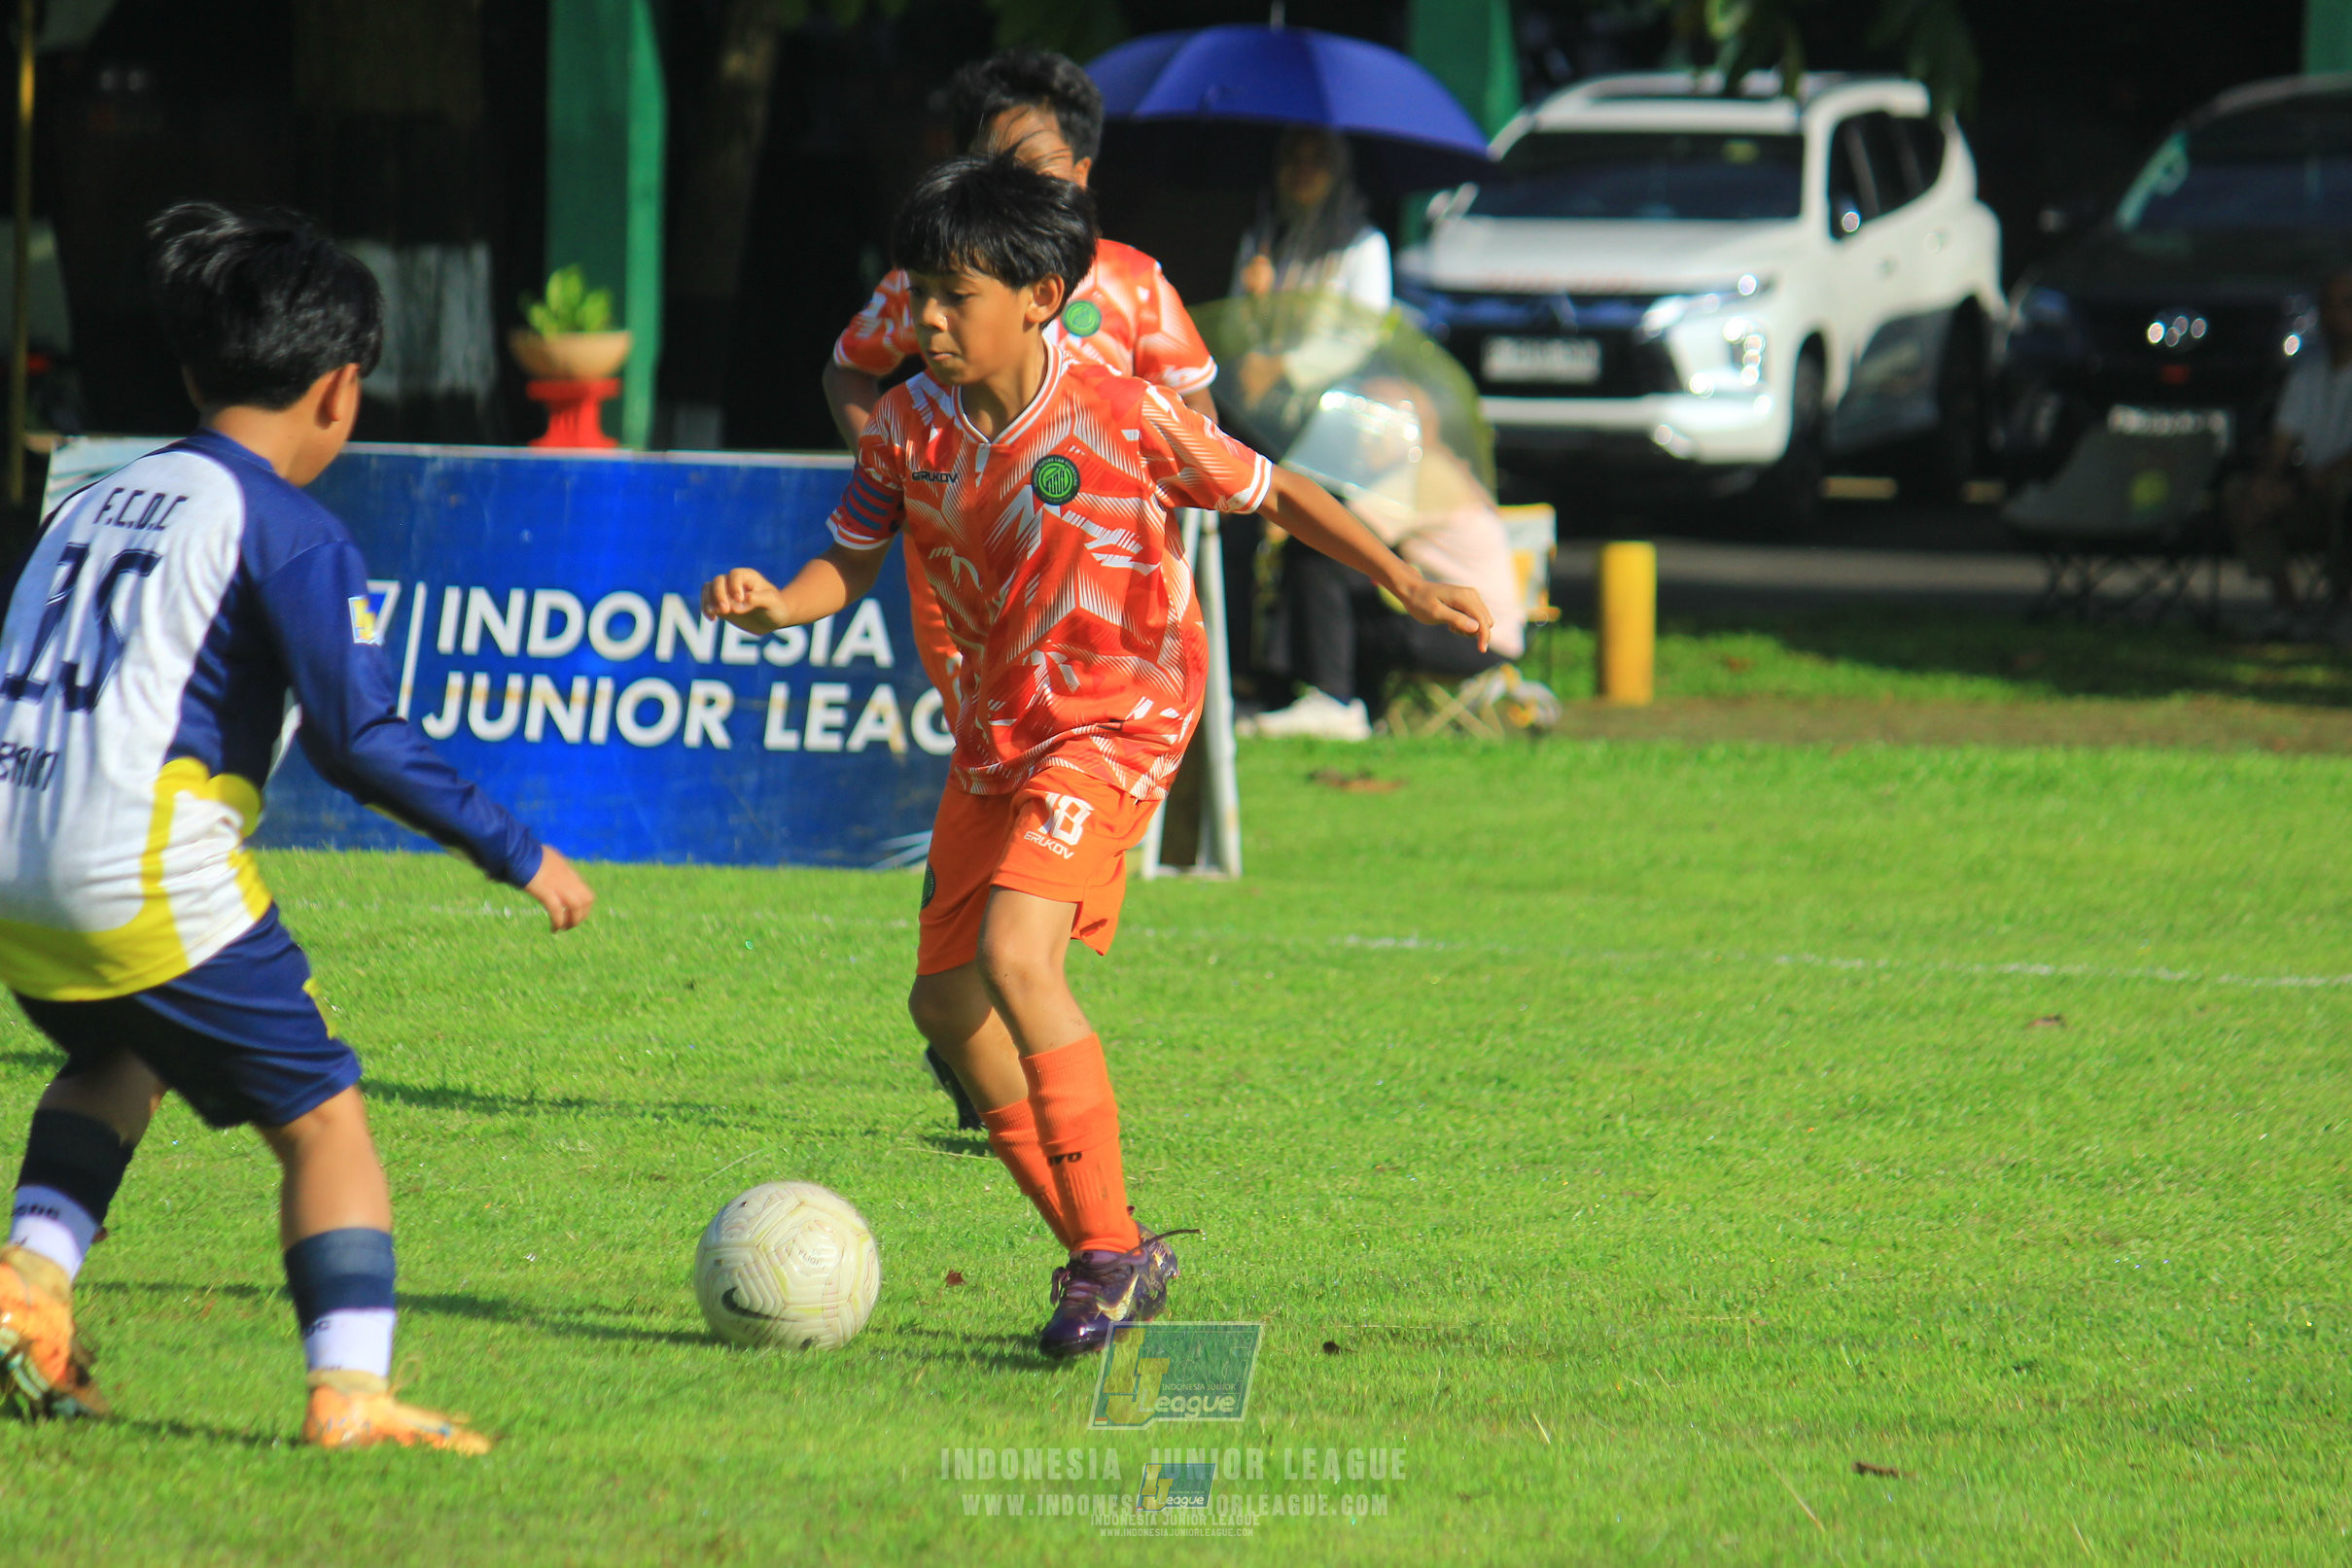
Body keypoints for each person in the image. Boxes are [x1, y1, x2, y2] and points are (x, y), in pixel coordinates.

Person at [704, 156, 1490, 1358]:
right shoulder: (907, 425)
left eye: (950, 297)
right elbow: (849, 562)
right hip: (997, 727)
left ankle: (1109, 1257)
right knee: (945, 1003)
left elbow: (1277, 492)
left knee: (1019, 956)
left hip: (1118, 714)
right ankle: (1105, 1249)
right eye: (917, 293)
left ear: (1039, 295)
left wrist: (1405, 577)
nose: (922, 320)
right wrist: (778, 605)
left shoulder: (1120, 412)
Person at [0, 204, 596, 1447]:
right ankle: (352, 1389)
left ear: (192, 370)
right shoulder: (286, 526)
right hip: (135, 870)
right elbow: (358, 736)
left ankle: (26, 1292)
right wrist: (517, 846)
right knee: (326, 1121)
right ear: (339, 388)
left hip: (16, 860)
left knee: (119, 1053)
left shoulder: (95, 499)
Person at [823, 50, 1223, 1132]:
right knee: (982, 778)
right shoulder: (936, 290)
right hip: (972, 600)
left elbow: (1207, 440)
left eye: (1037, 161)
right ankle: (972, 1021)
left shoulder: (1136, 285)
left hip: (1107, 635)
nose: (1020, 180)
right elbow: (853, 369)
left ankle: (1003, 1008)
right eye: (993, 160)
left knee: (1026, 906)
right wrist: (902, 470)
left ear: (1082, 168)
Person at [2227, 266, 2352, 611]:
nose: (2335, 315)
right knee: (2242, 492)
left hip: (2335, 492)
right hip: (2312, 496)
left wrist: (2298, 487)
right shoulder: (2307, 377)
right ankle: (2288, 604)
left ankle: (2343, 601)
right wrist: (2266, 483)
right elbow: (2281, 443)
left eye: (2346, 304)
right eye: (2328, 304)